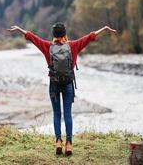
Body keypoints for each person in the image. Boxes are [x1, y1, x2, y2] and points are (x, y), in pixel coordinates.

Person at [7, 23, 117, 155]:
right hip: (68, 84)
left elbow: (32, 38)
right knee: (68, 114)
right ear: (65, 34)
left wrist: (19, 29)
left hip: (54, 83)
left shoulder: (48, 47)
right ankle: (69, 144)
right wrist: (104, 28)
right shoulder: (73, 46)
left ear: (54, 35)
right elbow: (89, 37)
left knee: (57, 114)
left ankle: (58, 141)